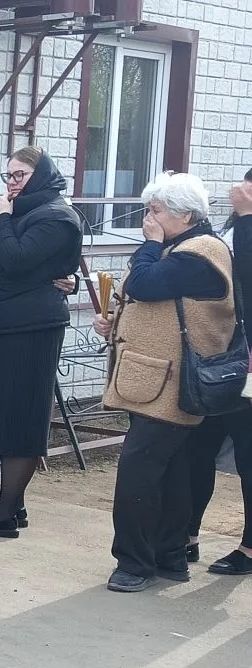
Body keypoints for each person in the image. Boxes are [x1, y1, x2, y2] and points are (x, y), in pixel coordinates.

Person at [98, 172, 235, 592]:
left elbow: (145, 284)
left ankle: (134, 563)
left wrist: (150, 243)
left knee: (138, 471)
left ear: (186, 215)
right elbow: (154, 302)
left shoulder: (200, 252)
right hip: (154, 379)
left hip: (172, 383)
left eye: (155, 210)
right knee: (172, 469)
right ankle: (170, 556)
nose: (148, 219)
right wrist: (116, 322)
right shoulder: (180, 249)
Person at [0, 147, 83, 538]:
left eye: (20, 174)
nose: (12, 182)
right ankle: (13, 502)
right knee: (0, 417)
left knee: (20, 419)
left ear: (41, 175)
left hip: (30, 331)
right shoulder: (25, 212)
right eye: (9, 175)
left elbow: (15, 259)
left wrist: (3, 217)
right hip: (1, 328)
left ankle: (4, 514)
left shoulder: (56, 216)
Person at [180, 176, 252, 576]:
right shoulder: (234, 225)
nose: (240, 190)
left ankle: (250, 547)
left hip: (247, 364)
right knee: (199, 444)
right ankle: (187, 534)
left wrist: (247, 218)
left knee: (248, 455)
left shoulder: (245, 224)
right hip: (220, 357)